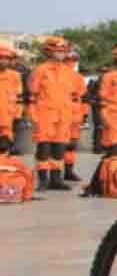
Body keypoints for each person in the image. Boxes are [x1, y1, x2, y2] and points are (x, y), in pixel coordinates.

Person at [28, 37, 75, 191]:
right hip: (45, 113)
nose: (61, 54)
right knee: (44, 147)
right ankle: (43, 180)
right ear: (49, 51)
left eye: (63, 51)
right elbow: (32, 95)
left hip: (64, 114)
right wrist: (32, 114)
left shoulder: (68, 72)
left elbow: (72, 95)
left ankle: (56, 180)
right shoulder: (40, 70)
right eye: (58, 51)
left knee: (59, 147)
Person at [63, 49, 87, 181]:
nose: (71, 62)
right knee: (56, 146)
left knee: (71, 146)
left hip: (75, 116)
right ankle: (52, 175)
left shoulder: (78, 78)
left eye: (73, 60)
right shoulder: (58, 75)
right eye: (69, 60)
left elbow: (84, 97)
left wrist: (84, 114)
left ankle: (69, 171)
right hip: (60, 115)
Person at [0, 136, 34, 204]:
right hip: (12, 194)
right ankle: (9, 196)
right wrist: (26, 197)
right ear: (9, 150)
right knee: (23, 177)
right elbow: (28, 176)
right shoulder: (15, 162)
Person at [0, 46, 24, 144]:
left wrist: (18, 115)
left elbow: (19, 97)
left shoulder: (15, 76)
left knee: (5, 145)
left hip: (8, 118)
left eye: (7, 59)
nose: (4, 61)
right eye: (1, 58)